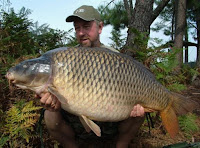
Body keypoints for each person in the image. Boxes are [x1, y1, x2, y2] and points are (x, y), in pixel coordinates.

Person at [39, 5, 145, 148]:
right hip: (76, 123)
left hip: (111, 122)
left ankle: (121, 146)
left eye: (86, 26)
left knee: (139, 113)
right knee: (49, 115)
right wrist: (51, 102)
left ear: (100, 27)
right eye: (77, 28)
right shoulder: (65, 58)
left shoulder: (117, 59)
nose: (81, 32)